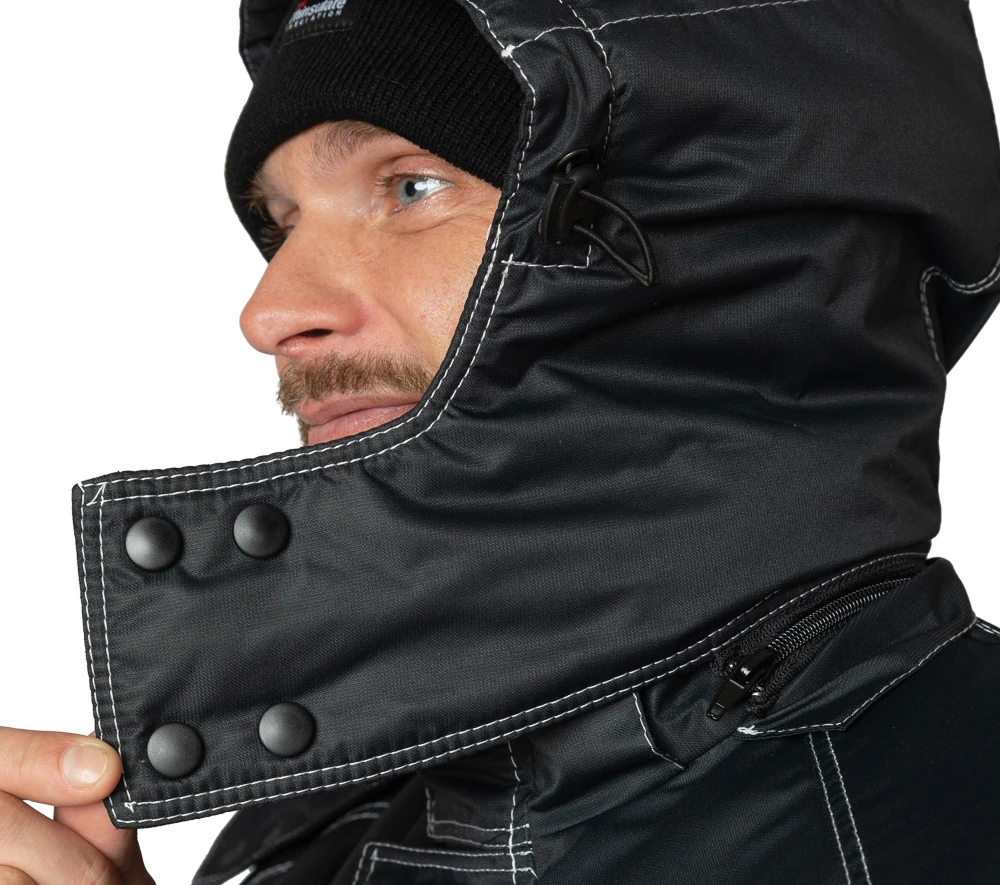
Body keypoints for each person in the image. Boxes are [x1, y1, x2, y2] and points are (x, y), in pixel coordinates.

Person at [2, 0, 1000, 882]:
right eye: (283, 220)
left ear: (730, 243)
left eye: (410, 188)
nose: (270, 311)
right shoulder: (385, 795)